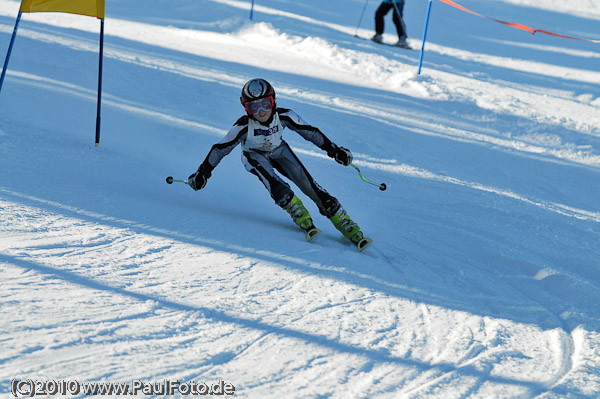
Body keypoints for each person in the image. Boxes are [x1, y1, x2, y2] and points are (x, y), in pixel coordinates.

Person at [187, 78, 372, 251]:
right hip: (254, 155)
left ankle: (342, 219)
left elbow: (310, 132)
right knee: (276, 185)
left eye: (265, 103)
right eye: (254, 107)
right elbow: (220, 149)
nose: (261, 111)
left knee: (308, 184)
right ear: (246, 109)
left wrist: (334, 150)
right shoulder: (242, 126)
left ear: (273, 101)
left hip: (279, 150)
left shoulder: (285, 115)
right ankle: (295, 208)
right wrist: (203, 173)